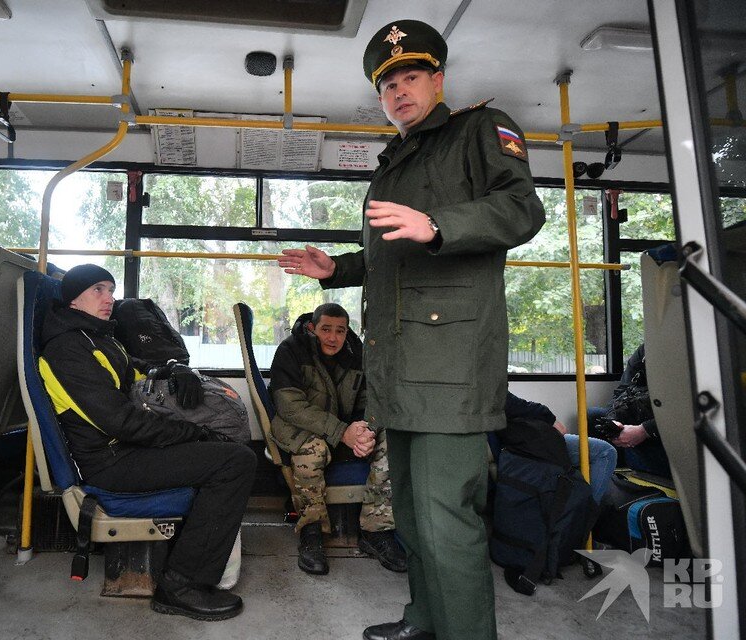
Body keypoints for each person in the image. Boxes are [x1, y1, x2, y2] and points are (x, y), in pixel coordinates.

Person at [279, 20, 545, 640]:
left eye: (411, 77)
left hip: (451, 369)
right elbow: (391, 259)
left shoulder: (478, 130)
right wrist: (336, 269)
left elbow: (522, 208)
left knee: (447, 518)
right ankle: (425, 618)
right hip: (399, 374)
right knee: (416, 518)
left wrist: (441, 225)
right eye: (387, 84)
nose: (399, 91)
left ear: (438, 80)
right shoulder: (397, 160)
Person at [38, 264, 256, 621]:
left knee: (229, 450)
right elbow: (121, 422)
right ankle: (181, 585)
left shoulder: (100, 339)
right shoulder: (67, 352)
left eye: (110, 289)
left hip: (127, 449)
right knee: (236, 462)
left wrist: (174, 368)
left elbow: (139, 372)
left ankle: (196, 565)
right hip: (111, 461)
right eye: (98, 290)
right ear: (73, 299)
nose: (109, 298)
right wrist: (193, 434)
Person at [268, 302, 405, 575]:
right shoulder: (291, 350)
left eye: (340, 331)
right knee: (312, 451)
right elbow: (290, 406)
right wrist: (343, 432)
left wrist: (366, 431)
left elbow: (369, 399)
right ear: (312, 328)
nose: (333, 337)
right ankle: (312, 531)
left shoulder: (356, 352)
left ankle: (375, 531)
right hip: (300, 427)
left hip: (342, 429)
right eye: (326, 329)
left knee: (390, 441)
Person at [500, 392, 617, 503]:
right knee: (605, 452)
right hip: (517, 439)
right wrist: (548, 417)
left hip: (509, 435)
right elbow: (508, 402)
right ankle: (586, 515)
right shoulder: (490, 380)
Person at [591, 343, 671, 478]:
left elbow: (686, 414)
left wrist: (644, 430)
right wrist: (613, 420)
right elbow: (622, 391)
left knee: (630, 453)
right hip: (639, 419)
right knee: (593, 416)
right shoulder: (645, 350)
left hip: (663, 431)